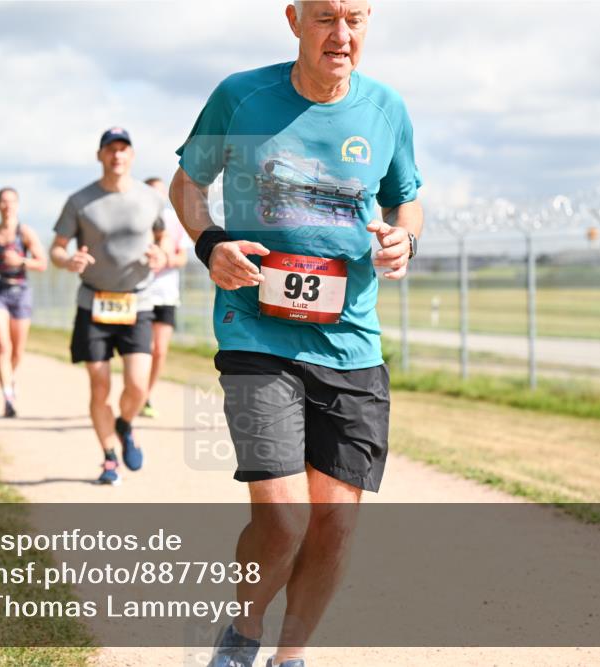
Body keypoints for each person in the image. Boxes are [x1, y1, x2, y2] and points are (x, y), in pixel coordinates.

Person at [169, 2, 424, 665]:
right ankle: (243, 633)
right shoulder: (240, 96)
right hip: (258, 333)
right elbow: (186, 185)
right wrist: (210, 242)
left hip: (351, 344)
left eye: (355, 19)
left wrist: (405, 237)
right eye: (325, 18)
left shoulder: (386, 110)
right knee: (284, 517)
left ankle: (291, 655)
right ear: (294, 20)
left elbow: (407, 197)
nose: (341, 35)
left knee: (336, 522)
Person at [50, 127, 169, 485]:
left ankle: (125, 423)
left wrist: (160, 254)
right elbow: (56, 248)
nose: (117, 155)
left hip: (138, 302)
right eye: (110, 150)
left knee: (137, 387)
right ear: (100, 156)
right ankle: (109, 458)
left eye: (123, 149)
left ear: (131, 156)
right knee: (99, 386)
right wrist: (68, 260)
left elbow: (163, 239)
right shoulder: (80, 201)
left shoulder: (151, 198)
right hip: (94, 303)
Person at [0, 188, 48, 417]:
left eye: (12, 201)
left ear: (18, 204)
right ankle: (7, 396)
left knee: (17, 350)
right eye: (3, 202)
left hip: (20, 292)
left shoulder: (25, 233)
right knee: (3, 346)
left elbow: (42, 263)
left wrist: (21, 260)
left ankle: (10, 378)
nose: (8, 206)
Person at [139, 176, 192, 419]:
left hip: (166, 294)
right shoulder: (135, 219)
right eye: (151, 193)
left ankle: (146, 395)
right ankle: (137, 392)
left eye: (160, 193)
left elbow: (182, 258)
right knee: (144, 349)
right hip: (139, 294)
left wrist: (165, 259)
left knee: (159, 350)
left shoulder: (173, 220)